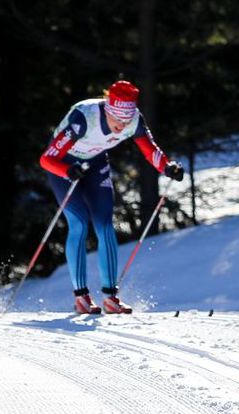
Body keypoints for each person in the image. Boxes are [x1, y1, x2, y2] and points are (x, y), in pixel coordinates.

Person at [39, 80, 183, 315]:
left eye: (126, 120)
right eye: (118, 120)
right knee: (78, 223)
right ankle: (81, 297)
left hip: (96, 163)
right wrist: (68, 171)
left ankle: (110, 297)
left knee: (105, 225)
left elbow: (150, 149)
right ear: (107, 109)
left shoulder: (133, 119)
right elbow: (47, 159)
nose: (122, 126)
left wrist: (168, 168)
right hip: (63, 163)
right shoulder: (84, 118)